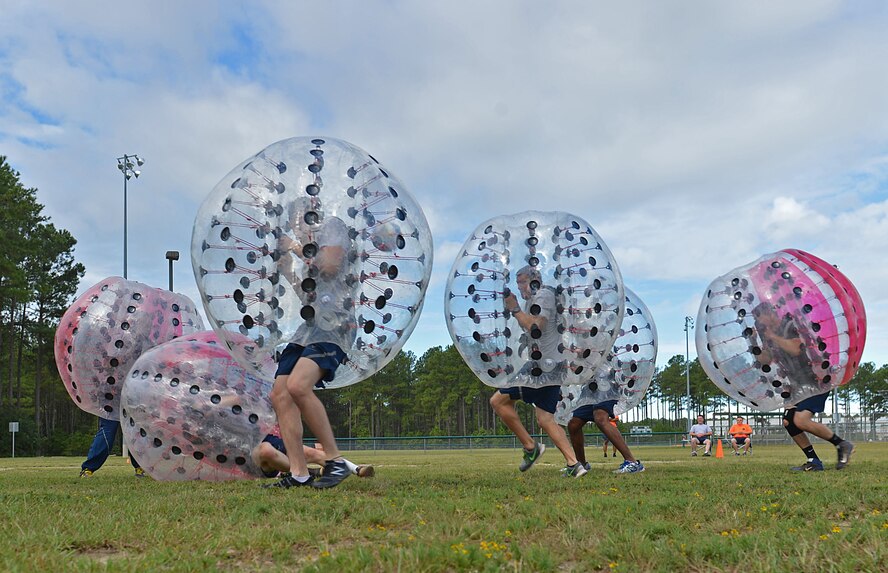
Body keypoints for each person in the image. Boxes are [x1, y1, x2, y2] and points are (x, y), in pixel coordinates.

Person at [265, 215, 362, 489]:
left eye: (298, 222)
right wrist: (289, 273)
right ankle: (299, 474)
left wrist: (296, 248)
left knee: (298, 386)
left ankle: (335, 459)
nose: (295, 228)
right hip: (310, 326)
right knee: (280, 394)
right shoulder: (311, 247)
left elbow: (330, 267)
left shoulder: (332, 228)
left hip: (336, 324)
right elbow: (309, 296)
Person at [491, 266, 584, 477]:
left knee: (498, 401)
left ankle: (531, 448)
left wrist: (515, 309)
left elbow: (536, 326)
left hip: (542, 368)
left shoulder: (543, 295)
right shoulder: (537, 298)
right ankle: (574, 464)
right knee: (545, 419)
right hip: (550, 365)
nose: (520, 287)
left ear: (535, 279)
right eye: (518, 283)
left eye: (523, 282)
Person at [783, 391, 854, 471]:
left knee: (801, 420)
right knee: (788, 421)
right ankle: (814, 461)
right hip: (798, 387)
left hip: (816, 384)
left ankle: (841, 444)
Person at [567, 401, 645, 474]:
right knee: (574, 423)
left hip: (606, 389)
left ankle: (632, 463)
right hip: (590, 391)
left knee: (600, 417)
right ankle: (581, 465)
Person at [253, 434, 374, 479]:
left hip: (264, 437)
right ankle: (307, 472)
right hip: (249, 452)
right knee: (266, 450)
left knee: (312, 453)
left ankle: (357, 469)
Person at [79, 416, 144, 477]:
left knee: (135, 432)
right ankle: (88, 468)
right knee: (107, 432)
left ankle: (141, 466)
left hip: (131, 405)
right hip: (110, 406)